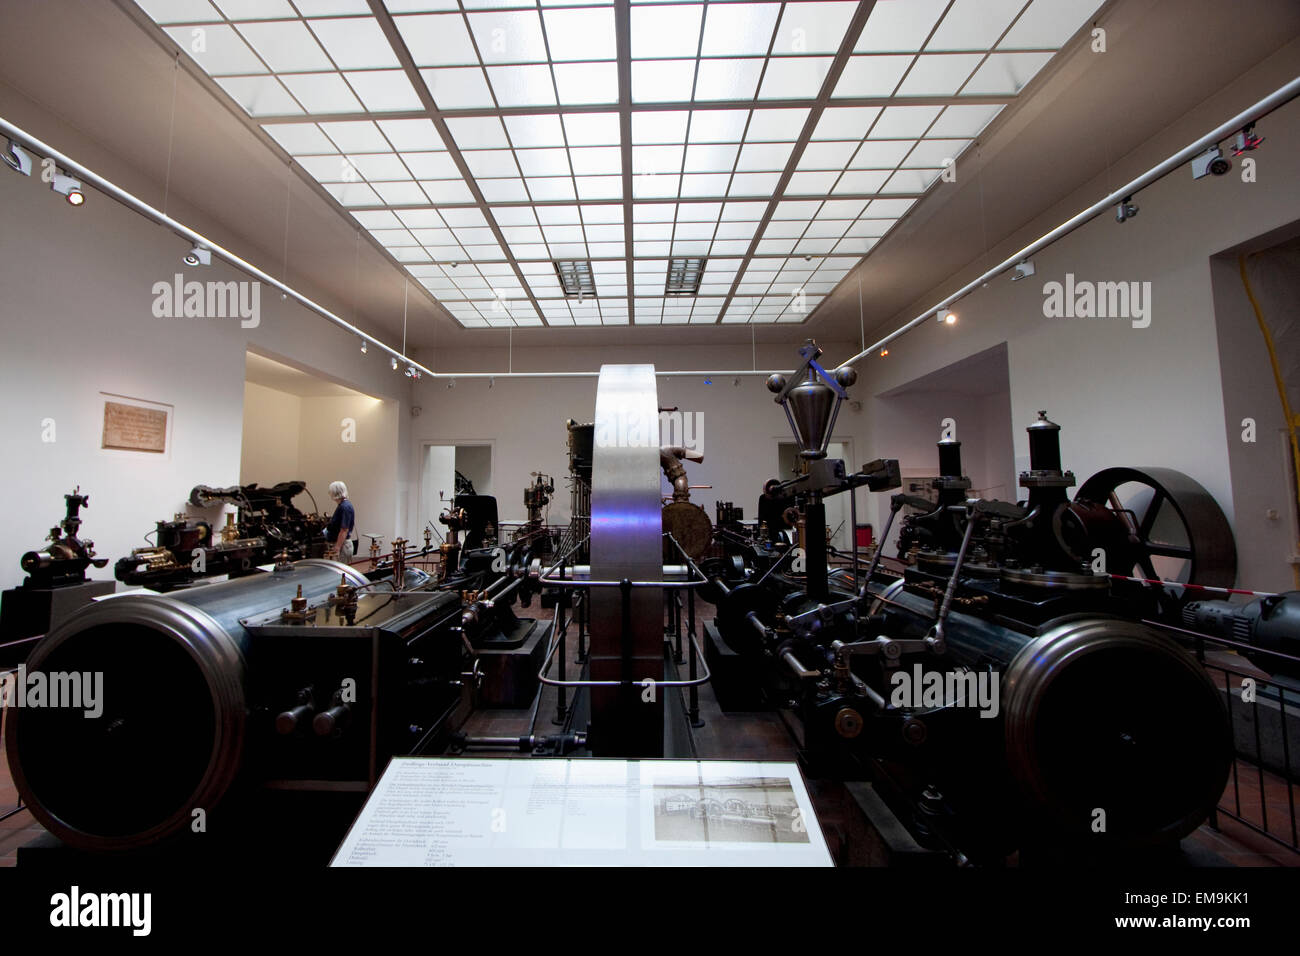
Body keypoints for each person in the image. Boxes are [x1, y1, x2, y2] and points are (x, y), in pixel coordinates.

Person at [324, 481, 356, 562]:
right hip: (342, 544)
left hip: (342, 546)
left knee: (340, 573)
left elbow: (344, 530)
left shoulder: (344, 507)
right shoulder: (343, 505)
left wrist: (337, 547)